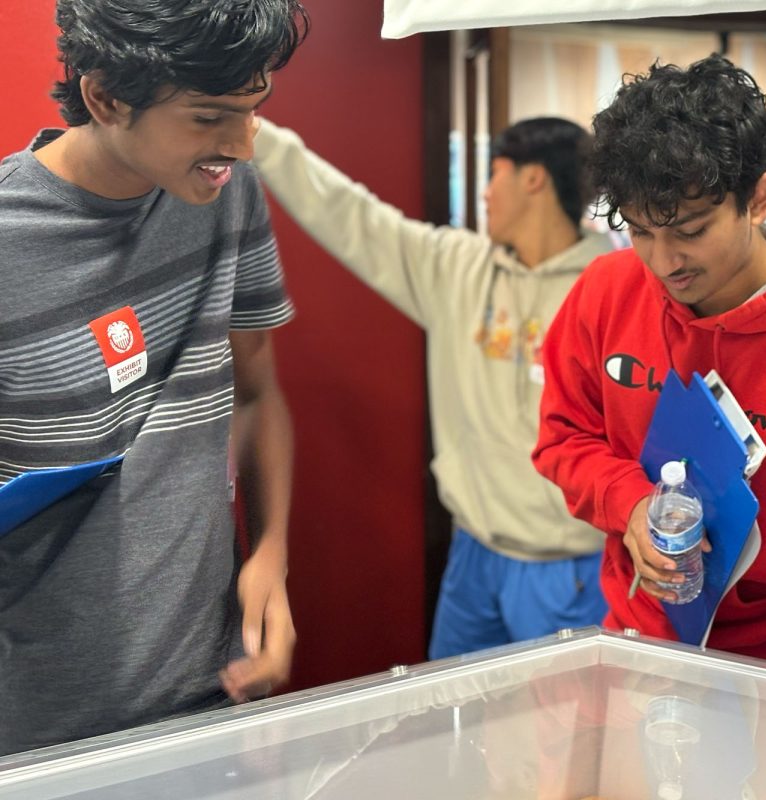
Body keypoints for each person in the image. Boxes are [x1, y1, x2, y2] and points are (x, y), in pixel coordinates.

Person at [532, 55, 766, 678]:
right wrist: (630, 505)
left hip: (765, 683)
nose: (663, 260)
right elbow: (561, 439)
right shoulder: (606, 291)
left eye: (691, 229)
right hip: (629, 647)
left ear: (758, 198)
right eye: (642, 231)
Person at [0, 0, 306, 755]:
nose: (241, 145)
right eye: (208, 118)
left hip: (208, 691)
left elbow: (259, 391)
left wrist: (271, 553)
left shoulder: (224, 190)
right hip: (34, 722)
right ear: (104, 96)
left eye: (252, 111)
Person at [250, 116, 611, 659]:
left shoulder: (610, 286)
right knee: (454, 726)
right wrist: (259, 136)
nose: (485, 192)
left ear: (533, 179)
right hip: (472, 558)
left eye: (495, 174)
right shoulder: (455, 268)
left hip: (570, 570)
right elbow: (352, 215)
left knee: (562, 738)